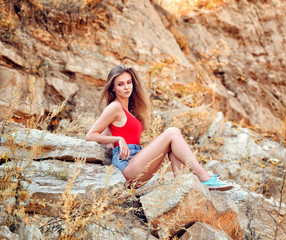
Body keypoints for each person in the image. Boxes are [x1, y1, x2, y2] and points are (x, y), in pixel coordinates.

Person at [85, 65, 232, 190]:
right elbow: (90, 135)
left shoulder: (129, 110)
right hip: (127, 168)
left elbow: (107, 133)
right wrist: (118, 139)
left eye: (129, 82)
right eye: (120, 84)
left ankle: (179, 183)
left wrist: (113, 141)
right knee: (172, 132)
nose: (126, 87)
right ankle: (204, 177)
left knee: (172, 143)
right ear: (112, 88)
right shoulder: (114, 107)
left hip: (137, 163)